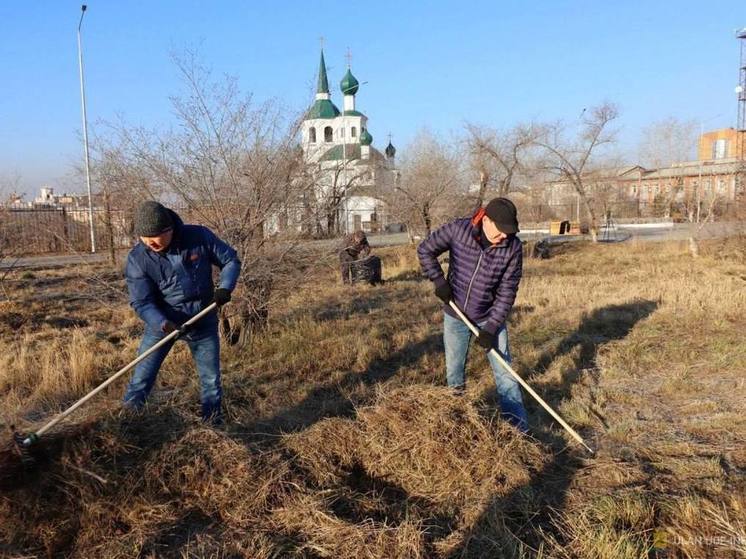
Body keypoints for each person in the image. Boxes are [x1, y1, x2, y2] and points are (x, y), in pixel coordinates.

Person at [123, 201, 241, 424]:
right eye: (144, 237)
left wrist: (225, 287)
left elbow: (230, 260)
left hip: (202, 318)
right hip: (163, 324)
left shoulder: (198, 237)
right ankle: (126, 424)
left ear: (170, 229)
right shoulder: (138, 259)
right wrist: (163, 323)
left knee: (210, 379)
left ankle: (213, 426)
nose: (150, 242)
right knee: (141, 379)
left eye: (156, 235)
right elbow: (141, 302)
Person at [417, 197, 528, 432]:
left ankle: (519, 431)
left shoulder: (513, 248)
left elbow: (507, 292)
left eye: (509, 232)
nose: (505, 237)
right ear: (485, 220)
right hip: (455, 315)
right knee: (454, 373)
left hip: (489, 317)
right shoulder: (459, 230)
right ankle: (457, 423)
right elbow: (425, 249)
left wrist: (491, 328)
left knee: (505, 374)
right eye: (501, 231)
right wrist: (439, 281)